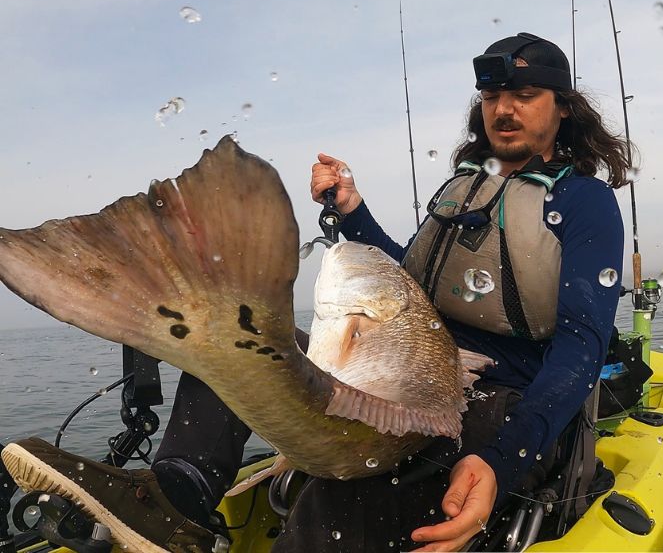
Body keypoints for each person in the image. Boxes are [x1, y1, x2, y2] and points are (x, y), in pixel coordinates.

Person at [4, 32, 628, 552]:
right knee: (234, 345)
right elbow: (409, 283)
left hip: (503, 395)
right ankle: (178, 495)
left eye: (525, 96)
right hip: (407, 366)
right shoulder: (463, 189)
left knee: (345, 497)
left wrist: (501, 461)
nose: (505, 110)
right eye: (493, 96)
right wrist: (352, 211)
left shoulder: (586, 204)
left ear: (562, 108)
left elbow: (582, 347)